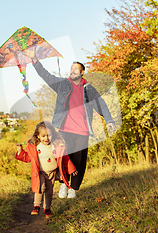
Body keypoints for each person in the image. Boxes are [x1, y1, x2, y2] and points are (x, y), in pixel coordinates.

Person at [24, 49, 115, 198]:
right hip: (64, 128)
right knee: (64, 159)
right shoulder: (63, 85)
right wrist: (34, 60)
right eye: (71, 68)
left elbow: (101, 105)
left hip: (83, 131)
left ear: (82, 72)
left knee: (79, 161)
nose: (72, 70)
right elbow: (46, 76)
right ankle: (64, 185)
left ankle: (73, 187)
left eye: (75, 68)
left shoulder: (89, 89)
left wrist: (109, 120)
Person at [15, 121, 77, 217]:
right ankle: (36, 206)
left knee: (49, 191)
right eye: (43, 136)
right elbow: (28, 158)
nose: (46, 138)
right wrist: (20, 151)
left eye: (49, 135)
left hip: (51, 172)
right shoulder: (35, 147)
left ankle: (47, 209)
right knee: (41, 187)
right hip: (39, 172)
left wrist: (71, 169)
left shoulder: (56, 146)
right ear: (38, 136)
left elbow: (65, 159)